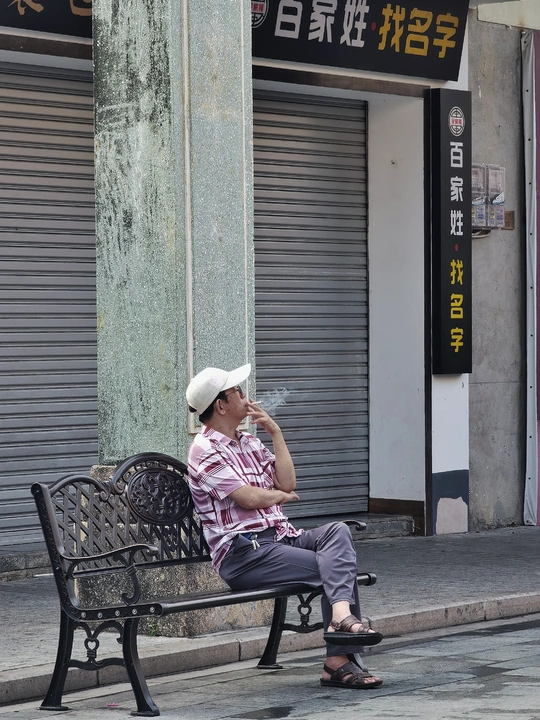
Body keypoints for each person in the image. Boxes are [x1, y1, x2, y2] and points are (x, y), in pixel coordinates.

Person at [186, 362, 383, 689]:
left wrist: (275, 433)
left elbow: (288, 482)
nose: (245, 396)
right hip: (244, 554)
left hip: (280, 539)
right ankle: (338, 659)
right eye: (238, 391)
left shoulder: (248, 442)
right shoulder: (204, 449)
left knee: (337, 531)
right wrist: (278, 496)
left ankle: (339, 621)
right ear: (221, 405)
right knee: (333, 567)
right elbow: (248, 498)